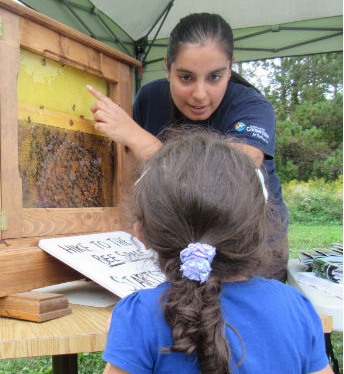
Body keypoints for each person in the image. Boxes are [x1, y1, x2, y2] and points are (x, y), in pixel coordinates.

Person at [102, 130, 331, 374]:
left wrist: (127, 334)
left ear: (142, 235)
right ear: (260, 231)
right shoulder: (296, 308)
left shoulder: (139, 317)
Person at [87, 12, 288, 282]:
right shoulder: (149, 98)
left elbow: (227, 172)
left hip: (247, 256)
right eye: (186, 78)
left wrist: (136, 137)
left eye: (215, 77)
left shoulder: (252, 108)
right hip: (176, 245)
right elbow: (138, 173)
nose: (200, 94)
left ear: (231, 67)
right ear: (167, 66)